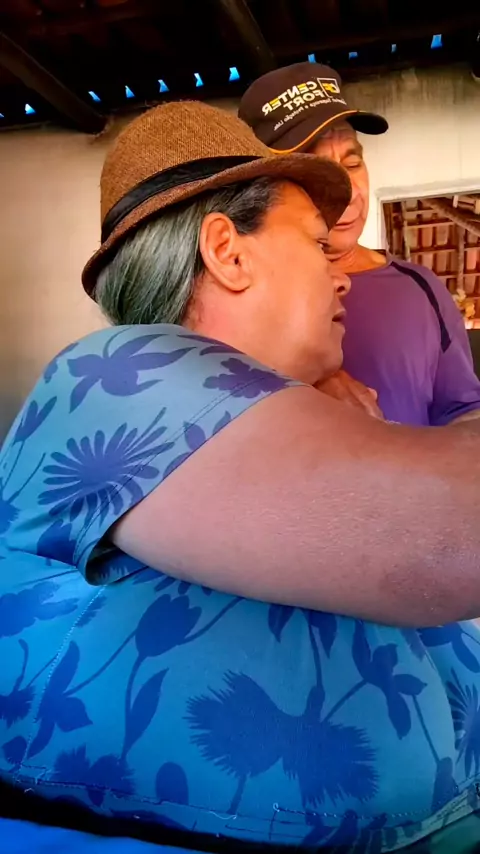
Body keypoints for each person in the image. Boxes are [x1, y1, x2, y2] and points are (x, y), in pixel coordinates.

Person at [1, 101, 480, 854]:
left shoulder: (273, 420)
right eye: (317, 243)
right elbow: (453, 538)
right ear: (227, 251)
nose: (344, 276)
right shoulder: (115, 375)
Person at [239, 62, 480, 425]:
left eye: (352, 164)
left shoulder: (421, 287)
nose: (349, 193)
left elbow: (464, 410)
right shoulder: (238, 297)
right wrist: (304, 378)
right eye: (317, 173)